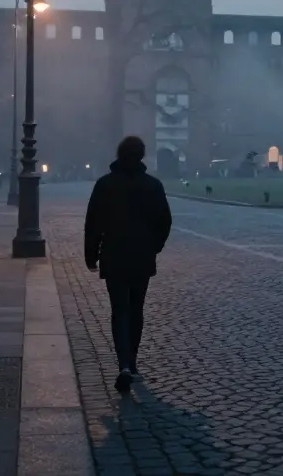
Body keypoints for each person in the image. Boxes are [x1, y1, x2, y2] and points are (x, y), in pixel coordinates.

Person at [84, 136, 173, 392]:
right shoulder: (153, 185)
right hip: (142, 256)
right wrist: (154, 246)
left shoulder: (105, 185)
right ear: (141, 156)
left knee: (119, 311)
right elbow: (165, 221)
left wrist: (91, 255)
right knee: (136, 310)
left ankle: (123, 364)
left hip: (113, 255)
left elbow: (93, 224)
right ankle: (132, 364)